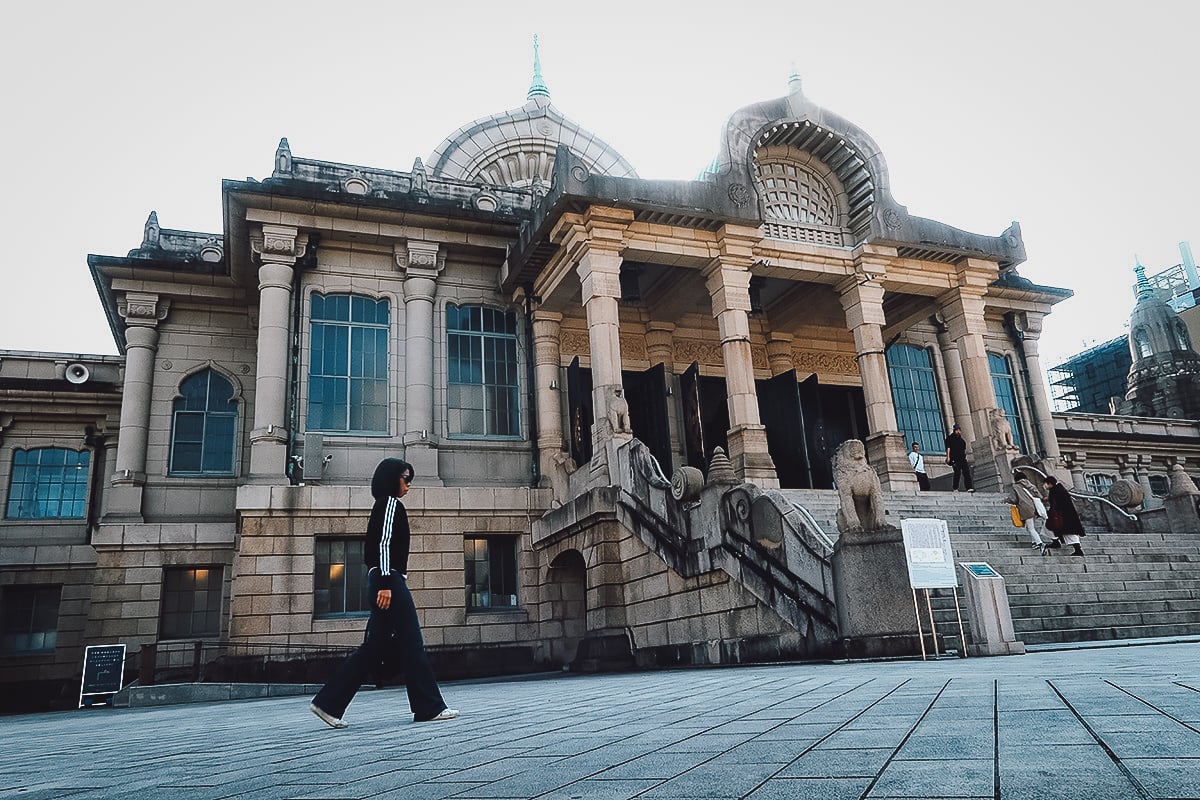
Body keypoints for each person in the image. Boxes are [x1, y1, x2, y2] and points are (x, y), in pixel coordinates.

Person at [310, 458, 459, 728]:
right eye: (405, 478)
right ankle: (429, 707)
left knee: (373, 648)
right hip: (388, 582)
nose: (409, 484)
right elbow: (383, 544)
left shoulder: (383, 505)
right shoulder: (390, 504)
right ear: (392, 478)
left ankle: (328, 703)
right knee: (412, 644)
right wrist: (387, 584)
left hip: (383, 580)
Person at [1043, 475, 1086, 557]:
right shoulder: (1059, 489)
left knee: (1069, 533)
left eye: (1045, 483)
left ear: (1049, 484)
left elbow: (1056, 504)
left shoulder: (1055, 491)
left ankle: (1078, 549)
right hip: (1065, 514)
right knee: (1048, 527)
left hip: (1062, 515)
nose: (1044, 485)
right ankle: (1056, 542)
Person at [1007, 469, 1049, 552]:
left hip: (1025, 509)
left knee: (1031, 528)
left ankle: (1040, 543)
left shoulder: (1016, 487)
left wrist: (1006, 500)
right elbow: (1040, 496)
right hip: (1034, 508)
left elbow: (1013, 499)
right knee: (1030, 526)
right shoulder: (1031, 486)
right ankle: (1034, 543)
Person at [944, 423, 974, 492]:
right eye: (956, 430)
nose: (958, 431)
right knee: (957, 473)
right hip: (954, 458)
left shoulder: (962, 441)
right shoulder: (950, 439)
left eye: (959, 430)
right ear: (954, 430)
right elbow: (948, 448)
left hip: (962, 459)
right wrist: (948, 457)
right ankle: (955, 487)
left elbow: (963, 450)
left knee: (966, 472)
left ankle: (969, 487)